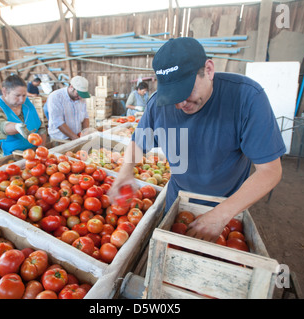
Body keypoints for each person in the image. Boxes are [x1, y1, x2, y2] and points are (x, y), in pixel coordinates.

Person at [109, 37, 286, 243]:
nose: (181, 103)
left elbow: (270, 171)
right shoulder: (158, 104)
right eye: (173, 96)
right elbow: (138, 141)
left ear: (208, 70)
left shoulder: (246, 97)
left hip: (228, 206)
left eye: (186, 91)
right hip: (178, 200)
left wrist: (221, 215)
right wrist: (125, 170)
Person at [0, 74, 47, 161]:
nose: (21, 100)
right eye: (17, 95)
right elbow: (0, 125)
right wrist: (16, 127)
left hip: (31, 154)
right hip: (7, 157)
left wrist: (41, 148)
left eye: (24, 95)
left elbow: (40, 126)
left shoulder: (27, 104)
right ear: (5, 92)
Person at [46, 75, 90, 141]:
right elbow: (58, 122)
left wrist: (85, 133)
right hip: (60, 139)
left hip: (77, 137)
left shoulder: (81, 99)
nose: (80, 98)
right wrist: (75, 138)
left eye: (82, 95)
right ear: (71, 87)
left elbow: (85, 117)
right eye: (78, 94)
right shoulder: (56, 97)